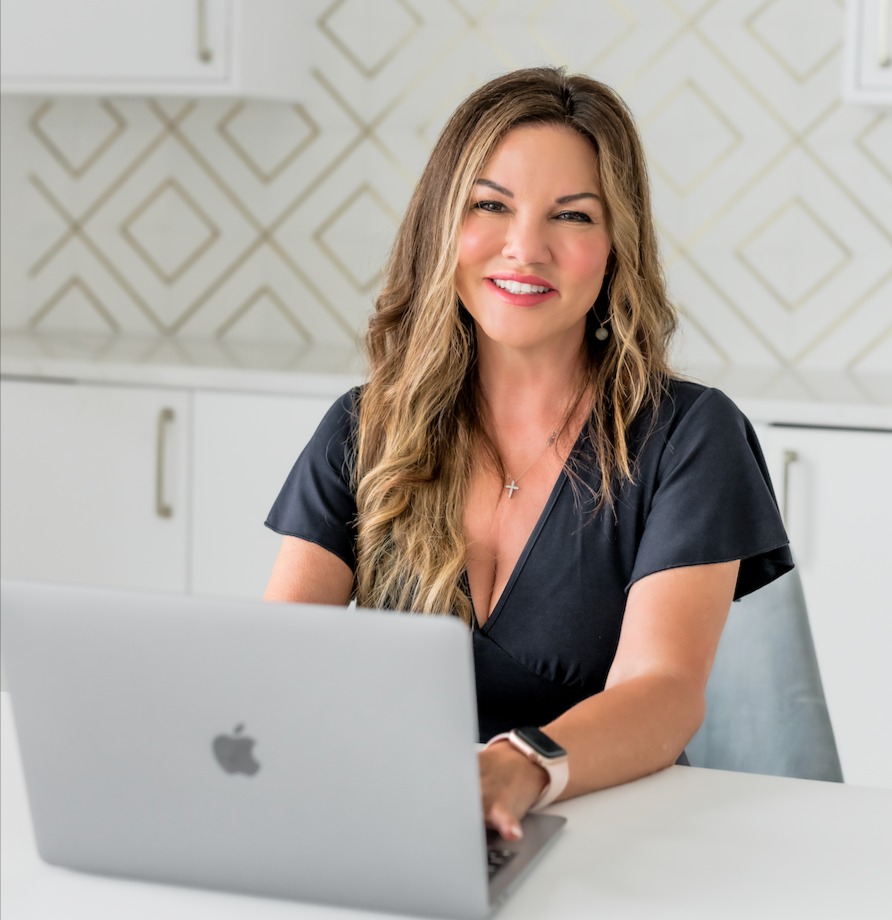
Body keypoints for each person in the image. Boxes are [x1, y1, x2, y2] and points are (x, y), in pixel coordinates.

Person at [264, 67, 792, 843]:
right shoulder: (362, 429)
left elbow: (665, 689)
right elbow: (277, 661)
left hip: (608, 838)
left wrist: (526, 764)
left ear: (616, 247)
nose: (525, 248)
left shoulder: (690, 436)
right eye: (490, 205)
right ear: (443, 225)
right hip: (395, 824)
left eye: (572, 216)